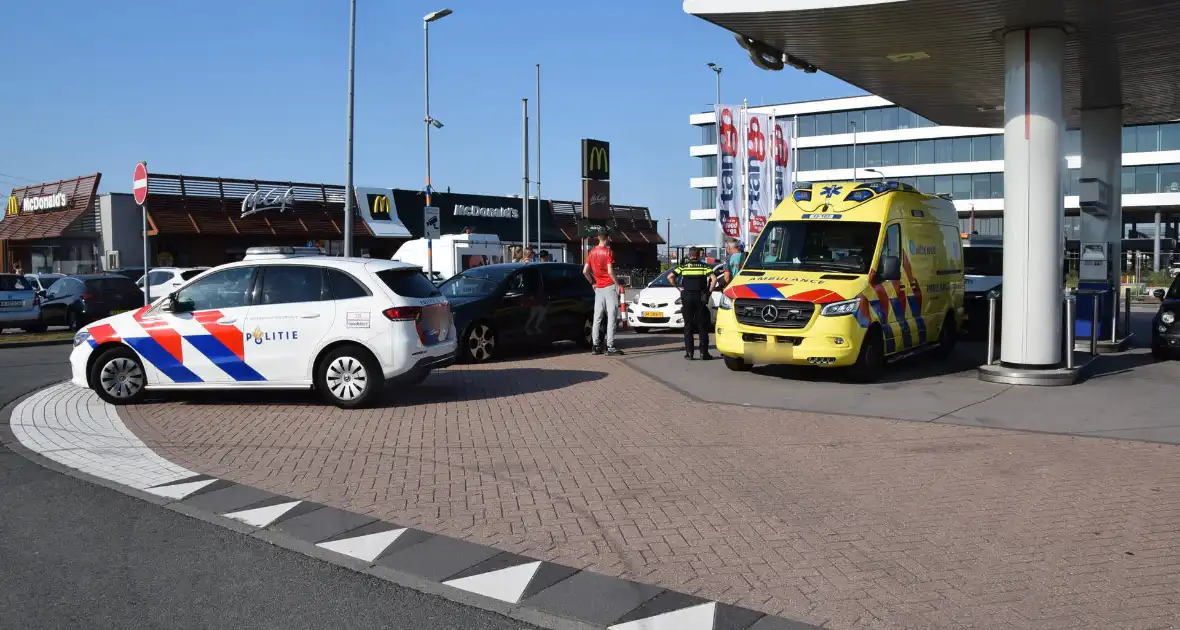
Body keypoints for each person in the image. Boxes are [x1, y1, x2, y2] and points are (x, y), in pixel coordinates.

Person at [666, 247, 715, 360]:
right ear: (699, 255)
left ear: (689, 255)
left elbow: (670, 276)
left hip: (687, 297)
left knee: (688, 326)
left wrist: (678, 288)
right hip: (700, 298)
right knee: (702, 326)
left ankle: (690, 353)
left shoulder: (683, 267)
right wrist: (708, 292)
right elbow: (714, 279)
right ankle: (704, 353)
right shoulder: (704, 266)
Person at [583, 227, 624, 356]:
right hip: (609, 286)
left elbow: (585, 271)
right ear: (607, 238)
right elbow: (610, 271)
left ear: (598, 237)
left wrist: (593, 282)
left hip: (598, 287)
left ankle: (595, 345)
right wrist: (617, 284)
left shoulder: (592, 252)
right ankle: (610, 346)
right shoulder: (608, 252)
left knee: (597, 317)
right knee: (612, 316)